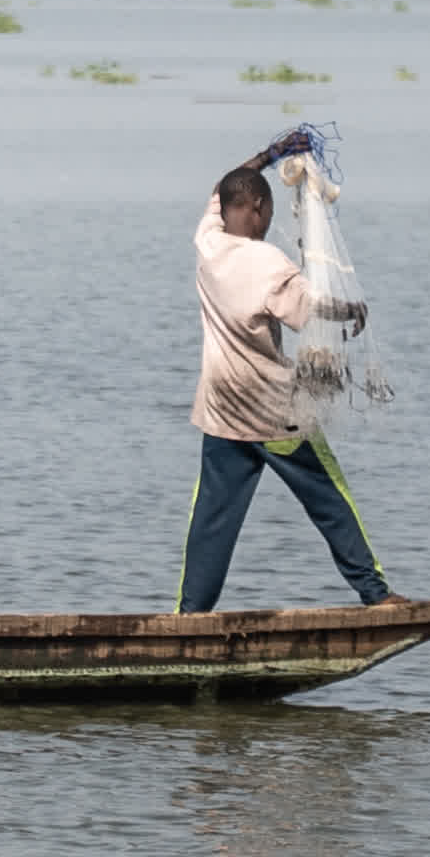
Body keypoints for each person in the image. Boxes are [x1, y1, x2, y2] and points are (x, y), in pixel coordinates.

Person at [178, 148, 391, 612]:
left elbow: (223, 189)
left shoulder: (207, 244)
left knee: (210, 522)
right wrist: (352, 309)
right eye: (268, 208)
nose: (270, 217)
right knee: (330, 498)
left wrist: (272, 153)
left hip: (220, 412)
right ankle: (376, 596)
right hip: (273, 414)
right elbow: (310, 307)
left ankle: (188, 618)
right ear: (257, 209)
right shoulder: (267, 264)